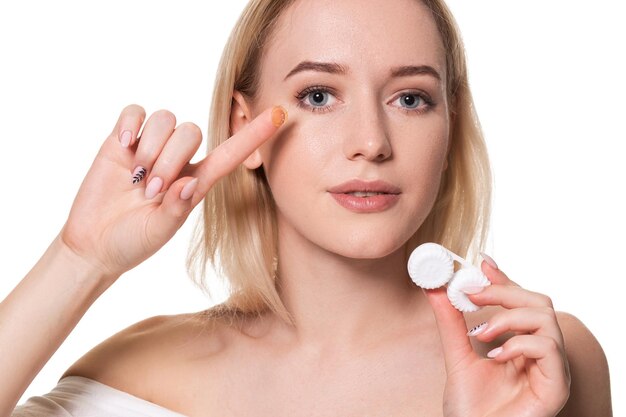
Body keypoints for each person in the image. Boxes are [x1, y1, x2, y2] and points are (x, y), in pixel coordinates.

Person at [1, 0, 612, 415]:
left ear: (450, 129)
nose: (371, 141)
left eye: (411, 98)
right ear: (248, 130)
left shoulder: (537, 359)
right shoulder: (134, 374)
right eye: (319, 95)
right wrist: (78, 259)